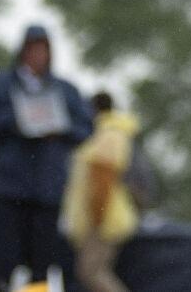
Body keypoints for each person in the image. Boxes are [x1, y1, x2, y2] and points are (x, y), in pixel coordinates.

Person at [0, 24, 92, 292]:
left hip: (46, 191)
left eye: (43, 49)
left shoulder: (65, 90)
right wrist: (18, 121)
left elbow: (86, 129)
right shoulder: (1, 84)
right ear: (23, 51)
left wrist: (60, 128)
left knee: (42, 265)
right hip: (8, 189)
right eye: (32, 49)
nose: (38, 55)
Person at [61, 93, 139, 292]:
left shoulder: (108, 135)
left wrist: (97, 218)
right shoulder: (106, 133)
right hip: (102, 216)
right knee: (92, 272)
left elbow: (102, 179)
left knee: (92, 272)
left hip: (104, 217)